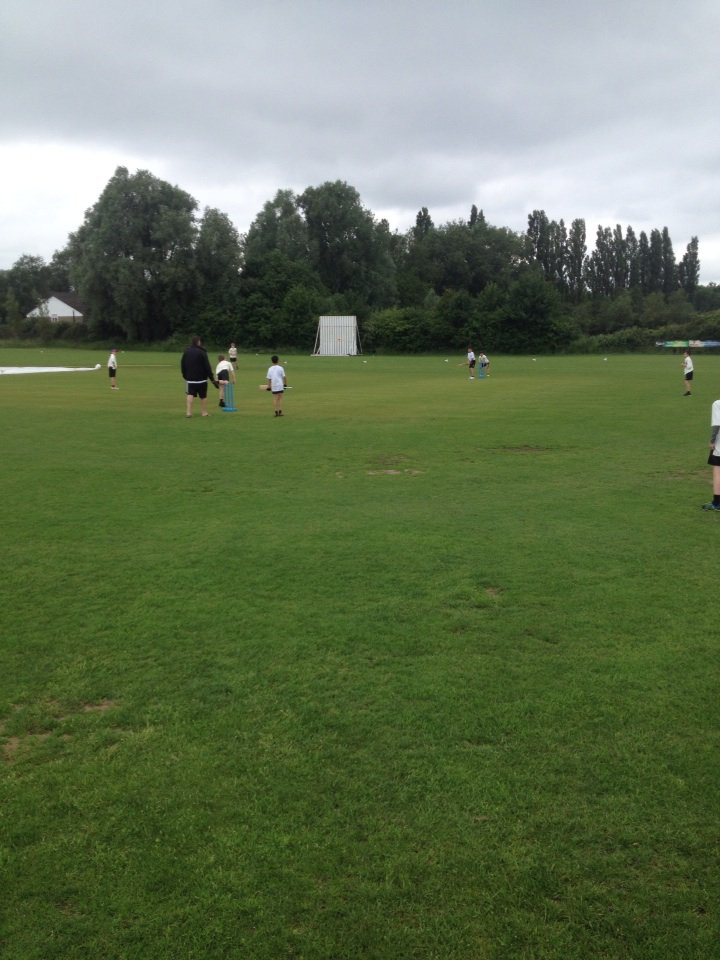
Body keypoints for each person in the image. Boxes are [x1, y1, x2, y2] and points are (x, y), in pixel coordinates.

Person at [181, 336, 218, 418]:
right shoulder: (202, 352)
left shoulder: (186, 352)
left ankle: (188, 413)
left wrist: (185, 376)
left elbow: (183, 365)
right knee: (203, 396)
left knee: (190, 394)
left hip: (190, 379)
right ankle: (204, 413)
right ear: (198, 342)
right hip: (202, 380)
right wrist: (212, 380)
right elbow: (207, 367)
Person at [703, 398, 720, 510]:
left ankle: (717, 503)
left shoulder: (717, 404)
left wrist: (712, 440)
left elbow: (716, 425)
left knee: (717, 470)